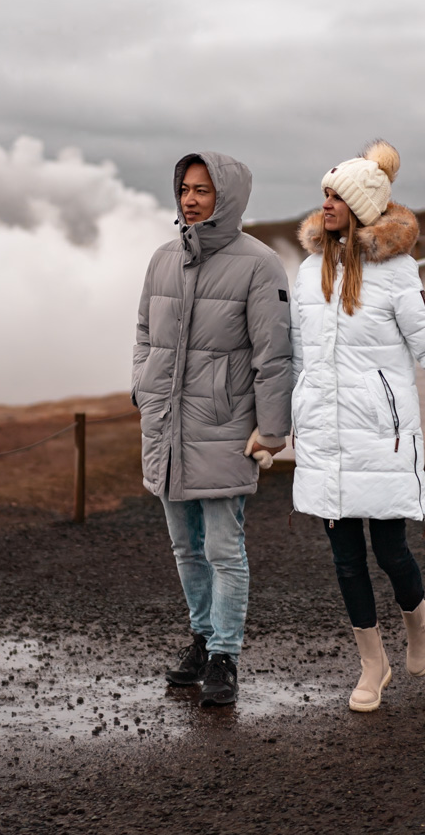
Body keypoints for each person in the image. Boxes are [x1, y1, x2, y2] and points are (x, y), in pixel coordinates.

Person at [289, 139, 425, 712]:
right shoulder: (309, 269)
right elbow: (296, 358)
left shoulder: (395, 273)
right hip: (325, 436)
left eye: (338, 195)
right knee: (344, 559)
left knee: (390, 552)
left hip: (382, 435)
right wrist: (275, 429)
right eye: (325, 193)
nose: (327, 203)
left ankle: (418, 614)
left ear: (363, 206)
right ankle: (372, 664)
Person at [132, 152, 293, 706]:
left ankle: (226, 655)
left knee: (224, 546)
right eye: (185, 188)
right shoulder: (161, 260)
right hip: (167, 426)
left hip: (224, 426)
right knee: (185, 547)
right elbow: (143, 333)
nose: (191, 199)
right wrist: (142, 387)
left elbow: (275, 356)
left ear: (228, 196)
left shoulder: (260, 265)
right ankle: (201, 639)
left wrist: (272, 431)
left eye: (204, 189)